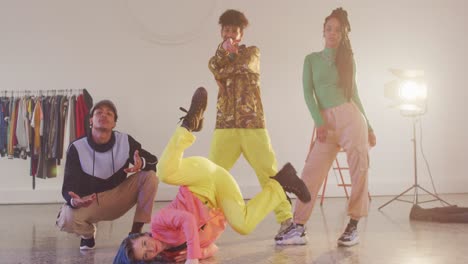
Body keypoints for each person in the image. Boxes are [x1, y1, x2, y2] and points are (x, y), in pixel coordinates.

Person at [113, 87, 311, 264]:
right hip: (219, 195)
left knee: (164, 172)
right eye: (146, 254)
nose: (150, 248)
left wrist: (192, 256)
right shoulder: (172, 255)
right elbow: (214, 248)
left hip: (200, 180)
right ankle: (284, 181)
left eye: (144, 243)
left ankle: (189, 125)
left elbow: (188, 221)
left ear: (143, 235)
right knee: (243, 226)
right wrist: (199, 252)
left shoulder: (159, 223)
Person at [275, 7, 377, 247]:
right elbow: (308, 94)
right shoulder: (311, 59)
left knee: (359, 170)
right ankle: (298, 226)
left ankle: (353, 225)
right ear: (323, 31)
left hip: (352, 119)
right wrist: (320, 123)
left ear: (343, 35)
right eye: (329, 29)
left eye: (337, 30)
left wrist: (369, 126)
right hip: (327, 123)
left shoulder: (347, 59)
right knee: (312, 170)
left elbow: (355, 94)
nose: (332, 33)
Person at [207, 9, 294, 237]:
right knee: (211, 174)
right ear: (221, 32)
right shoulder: (218, 56)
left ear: (241, 34)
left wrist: (223, 68)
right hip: (225, 125)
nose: (230, 34)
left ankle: (288, 222)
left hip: (252, 123)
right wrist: (221, 62)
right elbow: (213, 66)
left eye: (234, 31)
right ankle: (198, 220)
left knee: (268, 174)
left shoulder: (252, 53)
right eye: (226, 30)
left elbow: (238, 66)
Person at [56, 99, 159, 250]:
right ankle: (88, 235)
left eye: (109, 113)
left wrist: (141, 163)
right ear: (91, 120)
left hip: (119, 196)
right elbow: (68, 188)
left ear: (114, 123)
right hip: (90, 201)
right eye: (99, 112)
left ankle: (135, 233)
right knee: (65, 219)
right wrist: (74, 201)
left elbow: (155, 162)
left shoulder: (125, 141)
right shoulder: (77, 148)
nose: (104, 115)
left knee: (150, 176)